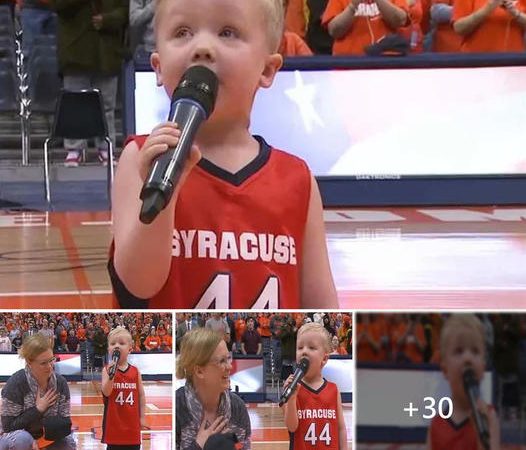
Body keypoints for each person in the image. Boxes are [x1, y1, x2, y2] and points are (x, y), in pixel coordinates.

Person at [109, 0, 338, 310]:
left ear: (268, 69)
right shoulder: (141, 158)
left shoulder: (298, 180)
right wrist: (165, 195)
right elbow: (137, 284)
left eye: (227, 32)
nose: (202, 47)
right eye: (183, 32)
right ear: (158, 67)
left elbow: (323, 310)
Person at [51, 0, 129, 166]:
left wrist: (107, 19)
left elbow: (124, 11)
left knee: (106, 106)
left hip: (107, 53)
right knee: (74, 103)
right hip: (75, 52)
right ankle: (74, 149)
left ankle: (105, 147)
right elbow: (58, 6)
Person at [425, 314, 500, 450]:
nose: (468, 358)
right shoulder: (436, 425)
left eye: (475, 351)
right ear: (445, 370)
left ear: (483, 368)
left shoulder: (488, 418)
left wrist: (481, 434)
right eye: (459, 351)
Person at [176, 327, 251, 449]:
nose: (229, 367)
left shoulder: (237, 407)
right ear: (199, 371)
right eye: (221, 361)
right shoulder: (178, 408)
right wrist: (198, 445)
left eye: (228, 358)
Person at [0, 334, 76, 450]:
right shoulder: (15, 384)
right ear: (29, 362)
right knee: (22, 440)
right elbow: (8, 427)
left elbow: (65, 422)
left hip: (46, 436)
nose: (50, 367)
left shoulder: (60, 383)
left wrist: (42, 441)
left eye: (51, 360)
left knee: (68, 442)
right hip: (13, 438)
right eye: (43, 363)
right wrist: (38, 409)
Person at [281, 322, 348, 449]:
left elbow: (341, 428)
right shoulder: (291, 388)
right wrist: (292, 399)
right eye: (300, 347)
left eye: (311, 348)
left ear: (324, 359)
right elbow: (291, 427)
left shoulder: (333, 389)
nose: (304, 351)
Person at [101, 327, 146, 450]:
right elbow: (106, 392)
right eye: (113, 343)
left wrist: (142, 418)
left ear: (130, 349)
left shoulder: (135, 371)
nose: (117, 346)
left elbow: (141, 396)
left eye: (121, 343)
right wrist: (112, 376)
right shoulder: (106, 370)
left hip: (132, 428)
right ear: (109, 349)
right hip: (114, 427)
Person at [322, 0, 408, 55]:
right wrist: (352, 7)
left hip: (385, 62)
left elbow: (400, 20)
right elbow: (334, 31)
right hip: (349, 64)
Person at [452, 0, 526, 52]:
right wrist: (487, 9)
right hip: (475, 62)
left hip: (514, 63)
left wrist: (516, 14)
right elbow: (459, 28)